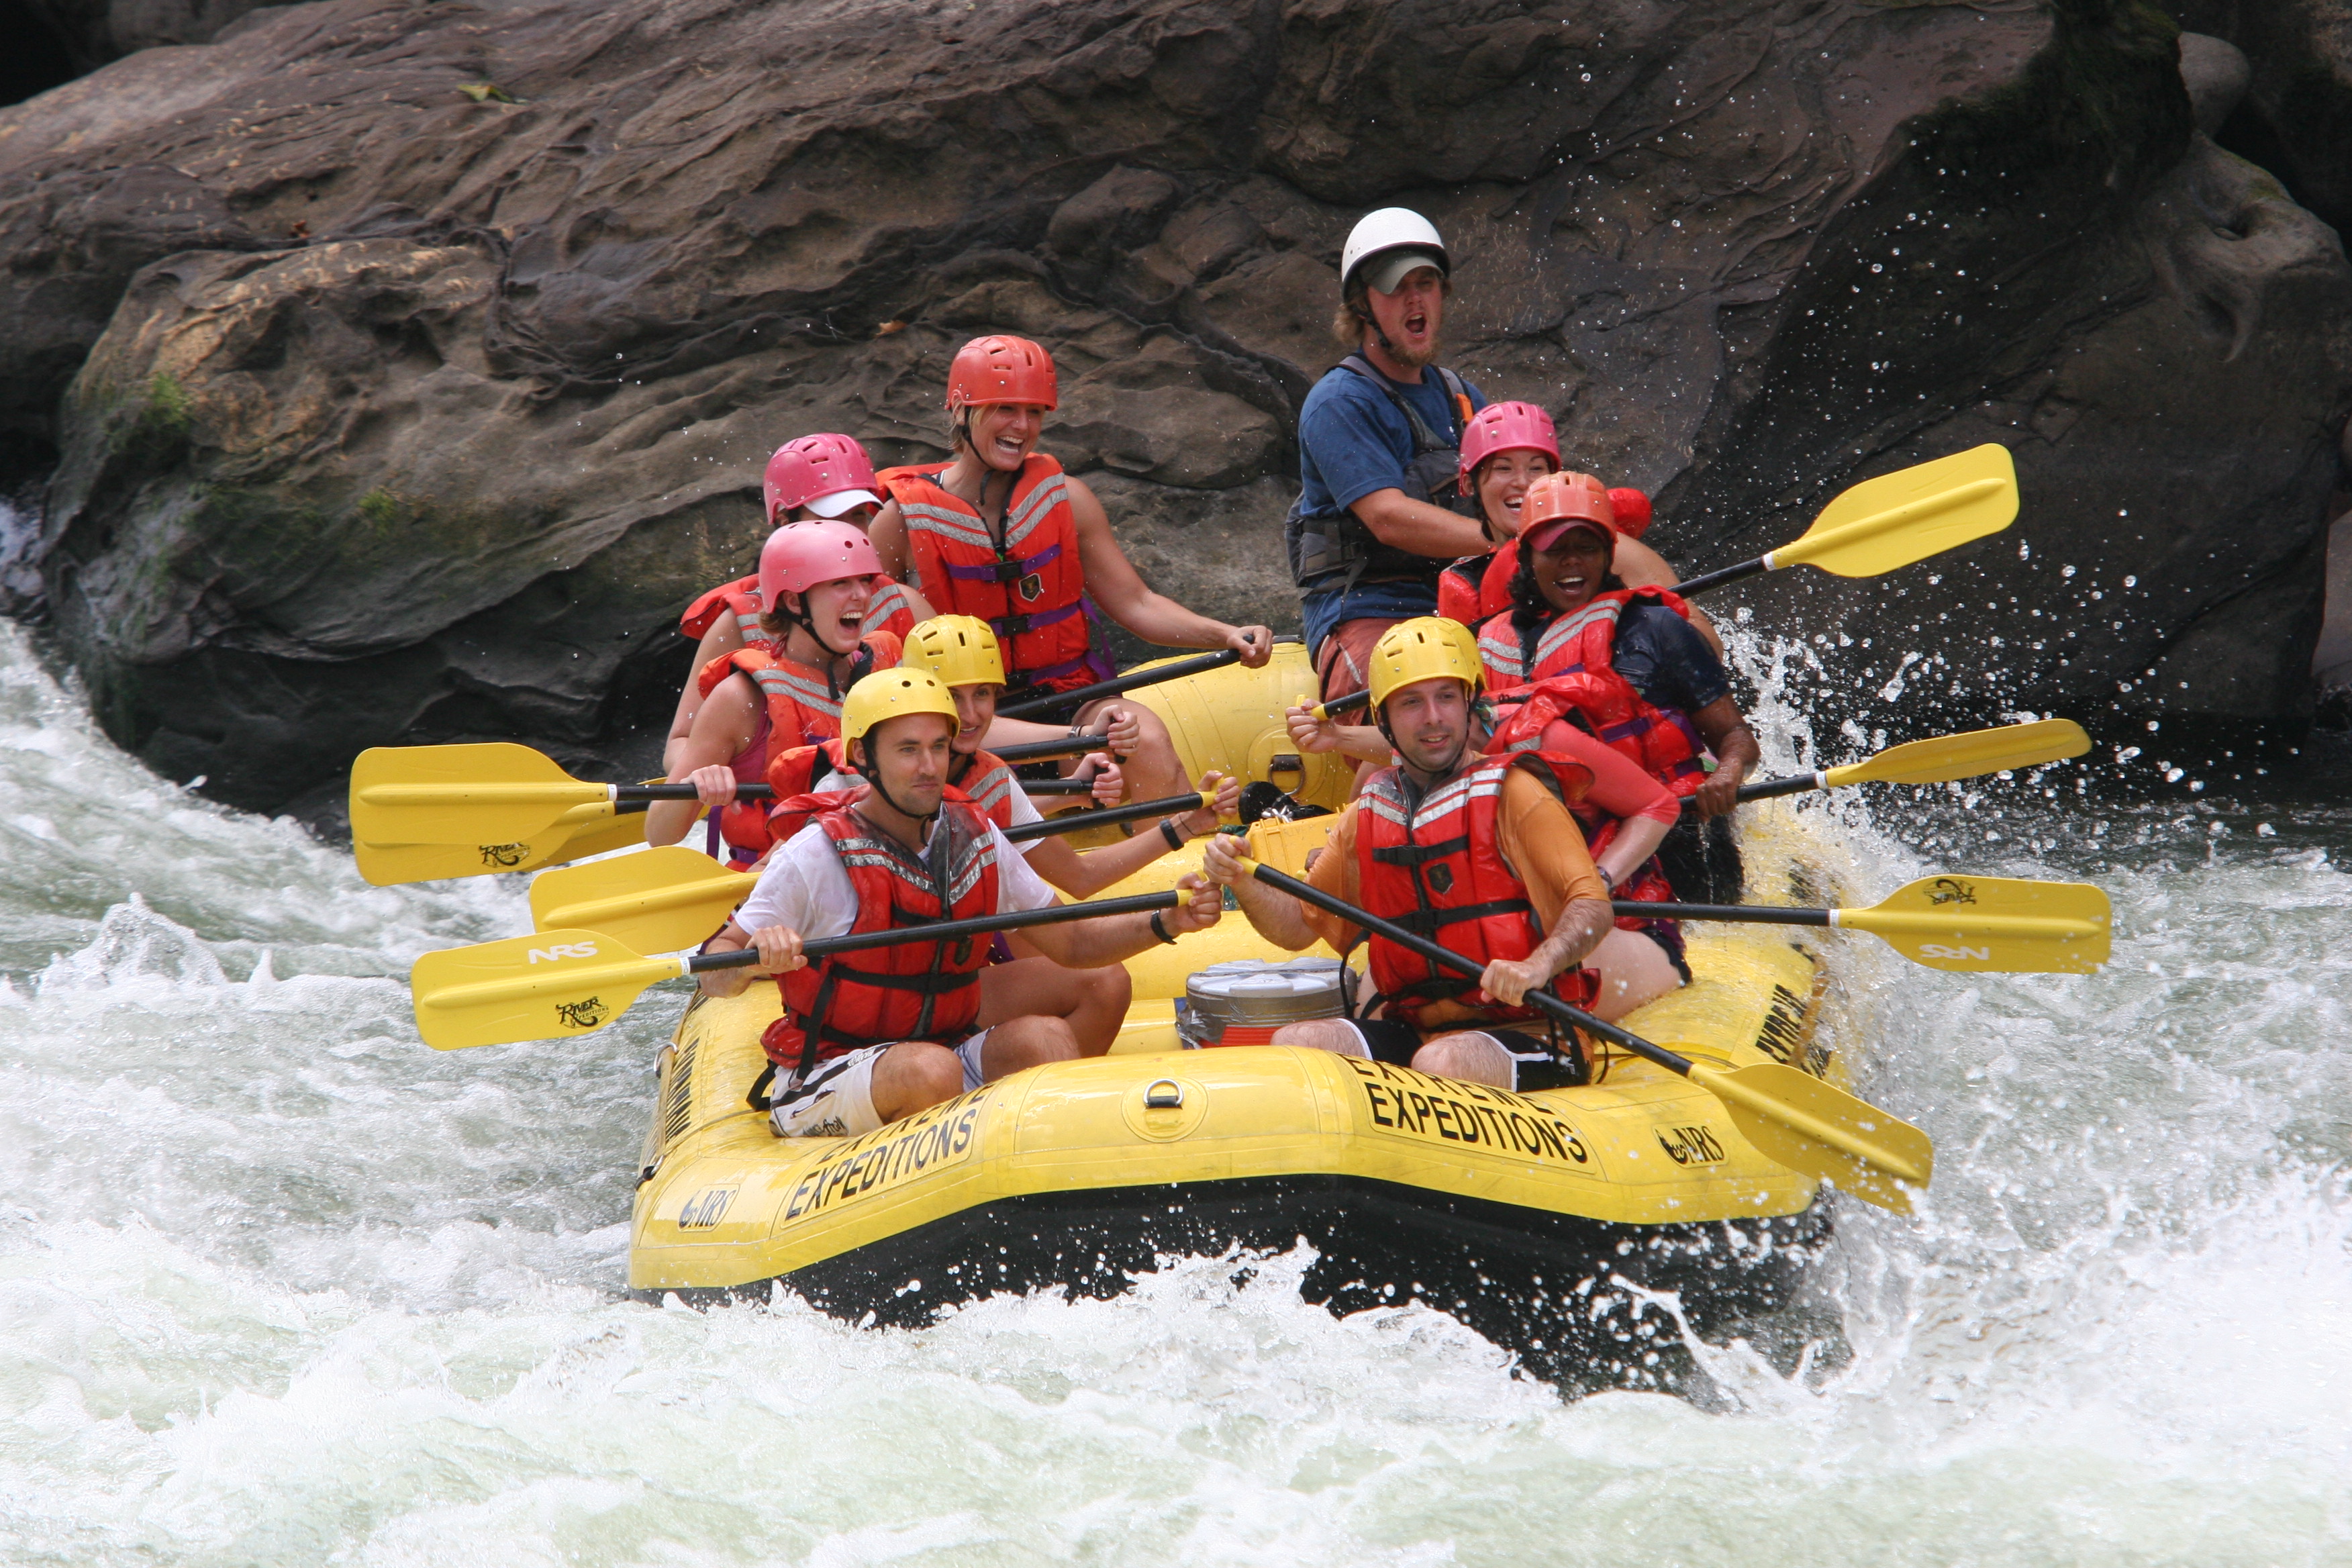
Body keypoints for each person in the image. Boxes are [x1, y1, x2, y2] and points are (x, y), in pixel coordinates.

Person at [699, 670, 1225, 1138]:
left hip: (944, 1044)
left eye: (937, 747)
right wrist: (754, 956)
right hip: (831, 1071)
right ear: (863, 757)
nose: (929, 767)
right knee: (931, 1072)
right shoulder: (812, 856)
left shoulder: (975, 831)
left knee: (1046, 1039)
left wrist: (1167, 920)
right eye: (908, 750)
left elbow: (1073, 941)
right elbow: (713, 972)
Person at [1203, 619, 1679, 1095]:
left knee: (1442, 1062)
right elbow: (1296, 927)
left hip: (1533, 1030)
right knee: (1300, 1043)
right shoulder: (1369, 812)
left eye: (1447, 697)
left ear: (1469, 705)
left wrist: (1538, 965)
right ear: (1383, 718)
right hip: (1418, 1031)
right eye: (1412, 702)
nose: (1433, 717)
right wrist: (1243, 881)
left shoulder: (1517, 793)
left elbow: (1592, 907)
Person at [867, 334, 1272, 801]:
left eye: (1034, 412)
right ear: (962, 410)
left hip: (1071, 700)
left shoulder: (1069, 500)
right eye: (1004, 409)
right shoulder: (900, 520)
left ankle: (1170, 854)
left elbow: (1137, 603)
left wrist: (1222, 633)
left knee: (1147, 737)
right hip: (963, 719)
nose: (1021, 426)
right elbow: (869, 645)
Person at [1474, 472, 1758, 903]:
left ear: (1609, 556)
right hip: (1551, 846)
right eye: (1555, 550)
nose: (1572, 562)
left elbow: (1735, 735)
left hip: (1671, 839)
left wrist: (1729, 771)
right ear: (1528, 557)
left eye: (1587, 548)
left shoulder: (1656, 627)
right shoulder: (1493, 644)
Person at [1285, 208, 1491, 703]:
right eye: (1397, 288)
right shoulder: (1339, 402)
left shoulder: (1465, 400)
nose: (1415, 299)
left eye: (1427, 283)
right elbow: (1388, 519)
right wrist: (1506, 539)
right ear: (1363, 307)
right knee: (1425, 719)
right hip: (1368, 610)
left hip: (1467, 606)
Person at [665, 434, 936, 773]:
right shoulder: (739, 623)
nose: (849, 532)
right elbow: (681, 741)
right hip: (783, 815)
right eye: (831, 517)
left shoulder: (905, 605)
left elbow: (962, 717)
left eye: (859, 515)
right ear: (784, 522)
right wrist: (706, 773)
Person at [648, 522, 901, 867]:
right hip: (772, 886)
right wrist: (698, 783)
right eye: (840, 582)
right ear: (794, 601)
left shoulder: (891, 671)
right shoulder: (740, 698)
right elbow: (659, 834)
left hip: (884, 875)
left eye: (865, 580)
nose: (861, 594)